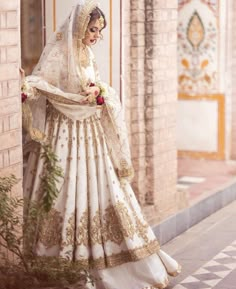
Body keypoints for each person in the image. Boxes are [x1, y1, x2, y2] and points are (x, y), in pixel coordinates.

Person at [22, 0, 181, 288]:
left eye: (99, 31)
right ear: (80, 27)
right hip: (63, 136)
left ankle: (113, 261)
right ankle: (64, 266)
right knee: (63, 191)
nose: (96, 36)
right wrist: (25, 89)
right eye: (93, 30)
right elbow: (39, 83)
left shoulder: (87, 54)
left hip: (91, 136)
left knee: (102, 191)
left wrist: (100, 91)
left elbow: (100, 87)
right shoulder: (59, 53)